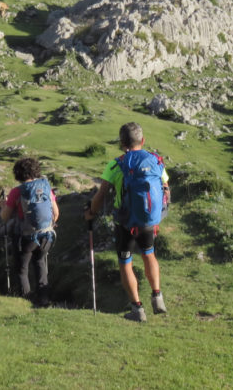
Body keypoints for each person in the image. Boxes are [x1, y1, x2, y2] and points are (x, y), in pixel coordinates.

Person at [84, 122, 169, 322]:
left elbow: (101, 194)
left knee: (125, 263)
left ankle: (137, 309)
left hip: (125, 223)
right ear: (143, 140)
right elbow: (165, 185)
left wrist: (91, 213)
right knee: (149, 254)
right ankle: (157, 296)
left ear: (122, 143)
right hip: (149, 221)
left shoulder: (117, 165)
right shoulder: (156, 160)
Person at [0, 157, 59, 306]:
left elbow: (5, 217)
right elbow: (56, 213)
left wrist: (3, 205)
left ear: (18, 174)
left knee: (22, 269)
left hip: (25, 237)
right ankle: (44, 300)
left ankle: (26, 301)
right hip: (47, 235)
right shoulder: (46, 187)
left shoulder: (16, 192)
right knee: (40, 262)